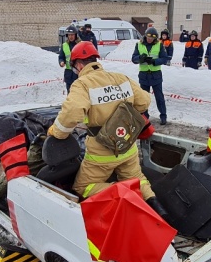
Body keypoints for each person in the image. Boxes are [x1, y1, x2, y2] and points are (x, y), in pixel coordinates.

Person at [48, 42, 166, 216]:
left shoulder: (82, 84)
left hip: (101, 154)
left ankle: (124, 193)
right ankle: (156, 207)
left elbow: (72, 114)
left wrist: (56, 133)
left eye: (75, 67)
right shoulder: (120, 78)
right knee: (137, 179)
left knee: (82, 188)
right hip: (127, 146)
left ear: (79, 64)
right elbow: (144, 101)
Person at [132, 27, 170, 124]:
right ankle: (145, 116)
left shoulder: (159, 45)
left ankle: (163, 116)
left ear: (155, 38)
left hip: (155, 75)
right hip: (144, 75)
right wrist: (140, 58)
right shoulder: (139, 44)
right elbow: (133, 59)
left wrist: (154, 61)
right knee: (144, 98)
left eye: (152, 38)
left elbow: (165, 58)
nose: (150, 40)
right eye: (148, 37)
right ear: (145, 36)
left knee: (159, 97)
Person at [58, 26, 81, 93]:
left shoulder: (80, 44)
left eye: (72, 35)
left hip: (78, 73)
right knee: (70, 93)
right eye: (69, 35)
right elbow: (61, 57)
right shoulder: (64, 45)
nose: (71, 37)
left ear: (76, 35)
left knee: (79, 93)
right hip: (69, 74)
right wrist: (61, 62)